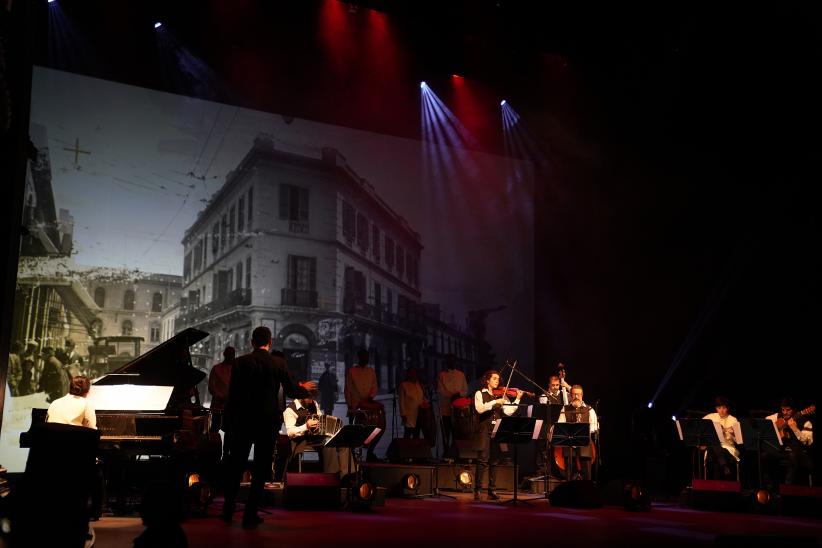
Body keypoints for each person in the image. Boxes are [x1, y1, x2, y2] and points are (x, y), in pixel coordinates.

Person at [222, 326, 314, 529]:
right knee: (261, 467)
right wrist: (304, 389)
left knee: (237, 465)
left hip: (243, 421)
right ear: (270, 342)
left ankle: (228, 510)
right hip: (267, 422)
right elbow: (291, 390)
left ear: (251, 342)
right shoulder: (278, 363)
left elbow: (233, 395)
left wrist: (230, 419)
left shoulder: (240, 362)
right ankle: (250, 514)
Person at [473, 369, 522, 501]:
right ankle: (477, 489)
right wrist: (495, 402)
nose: (497, 381)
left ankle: (491, 490)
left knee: (494, 462)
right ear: (487, 380)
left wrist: (517, 399)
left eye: (498, 379)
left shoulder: (502, 395)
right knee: (482, 460)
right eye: (494, 379)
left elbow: (509, 411)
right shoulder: (480, 393)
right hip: (484, 430)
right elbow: (480, 408)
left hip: (497, 430)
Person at [283, 390, 351, 476]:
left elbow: (320, 418)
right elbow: (290, 432)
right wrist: (306, 427)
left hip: (317, 437)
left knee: (342, 441)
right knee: (329, 442)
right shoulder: (290, 410)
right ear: (301, 395)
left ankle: (346, 474)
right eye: (309, 396)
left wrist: (324, 424)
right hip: (302, 440)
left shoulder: (313, 404)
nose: (312, 399)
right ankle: (331, 476)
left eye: (313, 396)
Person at [344, 349, 384, 461]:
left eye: (367, 357)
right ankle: (352, 455)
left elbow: (374, 386)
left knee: (374, 429)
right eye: (364, 357)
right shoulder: (352, 371)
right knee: (354, 431)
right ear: (359, 357)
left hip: (369, 406)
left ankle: (370, 452)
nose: (366, 359)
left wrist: (370, 398)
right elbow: (348, 389)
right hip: (355, 406)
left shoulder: (371, 371)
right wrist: (350, 405)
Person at [765, 398, 814, 486]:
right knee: (765, 456)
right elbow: (766, 420)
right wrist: (776, 428)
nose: (785, 412)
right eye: (783, 410)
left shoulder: (805, 422)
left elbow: (808, 442)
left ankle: (788, 487)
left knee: (792, 456)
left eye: (788, 410)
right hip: (783, 451)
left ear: (794, 410)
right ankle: (769, 486)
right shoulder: (778, 416)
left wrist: (795, 429)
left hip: (799, 452)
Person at [557, 384, 599, 480]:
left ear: (582, 395)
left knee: (586, 473)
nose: (576, 397)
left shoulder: (589, 409)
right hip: (569, 444)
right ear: (570, 395)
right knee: (569, 474)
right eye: (574, 394)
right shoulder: (565, 408)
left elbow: (594, 426)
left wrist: (584, 431)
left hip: (584, 444)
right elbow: (560, 424)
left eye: (578, 394)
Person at [701, 396, 740, 480]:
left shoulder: (733, 419)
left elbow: (738, 441)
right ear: (716, 408)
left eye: (724, 408)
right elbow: (700, 428)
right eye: (719, 408)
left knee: (715, 456)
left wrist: (733, 433)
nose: (721, 410)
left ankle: (715, 486)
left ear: (728, 408)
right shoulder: (710, 417)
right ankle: (725, 466)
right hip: (712, 448)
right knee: (714, 444)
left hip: (728, 448)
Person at [208, 346, 235, 461]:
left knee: (226, 431)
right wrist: (221, 396)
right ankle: (218, 453)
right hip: (221, 405)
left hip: (226, 405)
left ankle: (221, 453)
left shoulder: (218, 368)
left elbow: (212, 387)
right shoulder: (218, 369)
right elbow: (211, 387)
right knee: (219, 430)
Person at [437, 353, 468, 451]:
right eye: (449, 360)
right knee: (446, 433)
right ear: (446, 362)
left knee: (457, 433)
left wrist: (459, 395)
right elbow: (440, 390)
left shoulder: (461, 374)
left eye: (453, 360)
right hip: (445, 409)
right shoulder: (441, 375)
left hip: (458, 410)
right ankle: (446, 452)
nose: (451, 362)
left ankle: (457, 452)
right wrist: (452, 395)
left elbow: (465, 390)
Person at [398, 367, 428, 439]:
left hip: (419, 414)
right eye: (411, 373)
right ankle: (405, 449)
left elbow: (423, 398)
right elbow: (401, 401)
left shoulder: (420, 385)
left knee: (416, 434)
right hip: (409, 415)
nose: (413, 375)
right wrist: (403, 414)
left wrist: (426, 404)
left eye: (414, 373)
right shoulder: (403, 385)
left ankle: (415, 449)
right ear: (408, 374)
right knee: (408, 434)